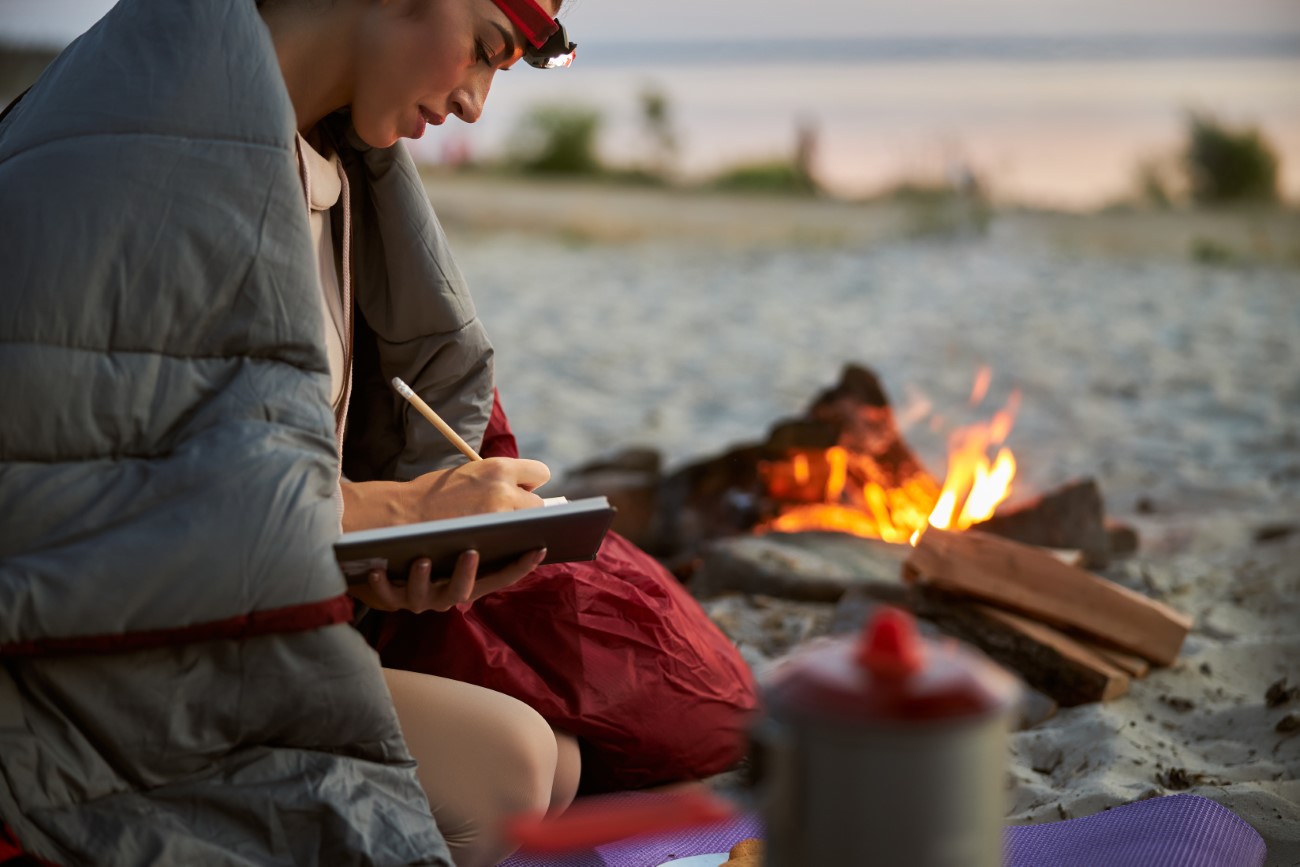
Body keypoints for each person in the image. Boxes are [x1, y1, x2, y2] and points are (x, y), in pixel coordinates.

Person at [0, 0, 755, 864]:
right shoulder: (138, 152)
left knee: (562, 759)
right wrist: (396, 508)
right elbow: (63, 510)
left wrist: (383, 567)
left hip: (213, 629)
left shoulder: (322, 158)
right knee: (508, 765)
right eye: (485, 50)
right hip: (77, 674)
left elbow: (224, 448)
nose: (474, 102)